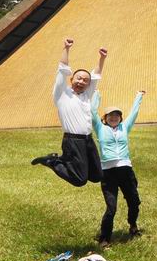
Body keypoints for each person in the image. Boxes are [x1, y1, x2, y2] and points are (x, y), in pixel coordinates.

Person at [32, 38, 107, 187]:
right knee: (79, 180)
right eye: (79, 78)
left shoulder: (87, 94)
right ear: (72, 78)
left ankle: (65, 159)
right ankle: (52, 161)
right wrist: (66, 48)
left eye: (85, 80)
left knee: (97, 176)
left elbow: (96, 76)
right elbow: (62, 69)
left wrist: (102, 58)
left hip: (88, 140)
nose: (81, 82)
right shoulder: (61, 94)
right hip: (73, 141)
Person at [91, 89, 144, 248]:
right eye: (110, 115)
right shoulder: (100, 128)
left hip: (126, 170)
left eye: (117, 115)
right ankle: (104, 238)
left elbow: (134, 112)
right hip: (108, 173)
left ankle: (133, 226)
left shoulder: (124, 127)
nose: (114, 117)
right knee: (111, 207)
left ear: (120, 118)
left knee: (134, 201)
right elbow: (92, 111)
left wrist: (139, 96)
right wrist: (97, 95)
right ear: (105, 118)